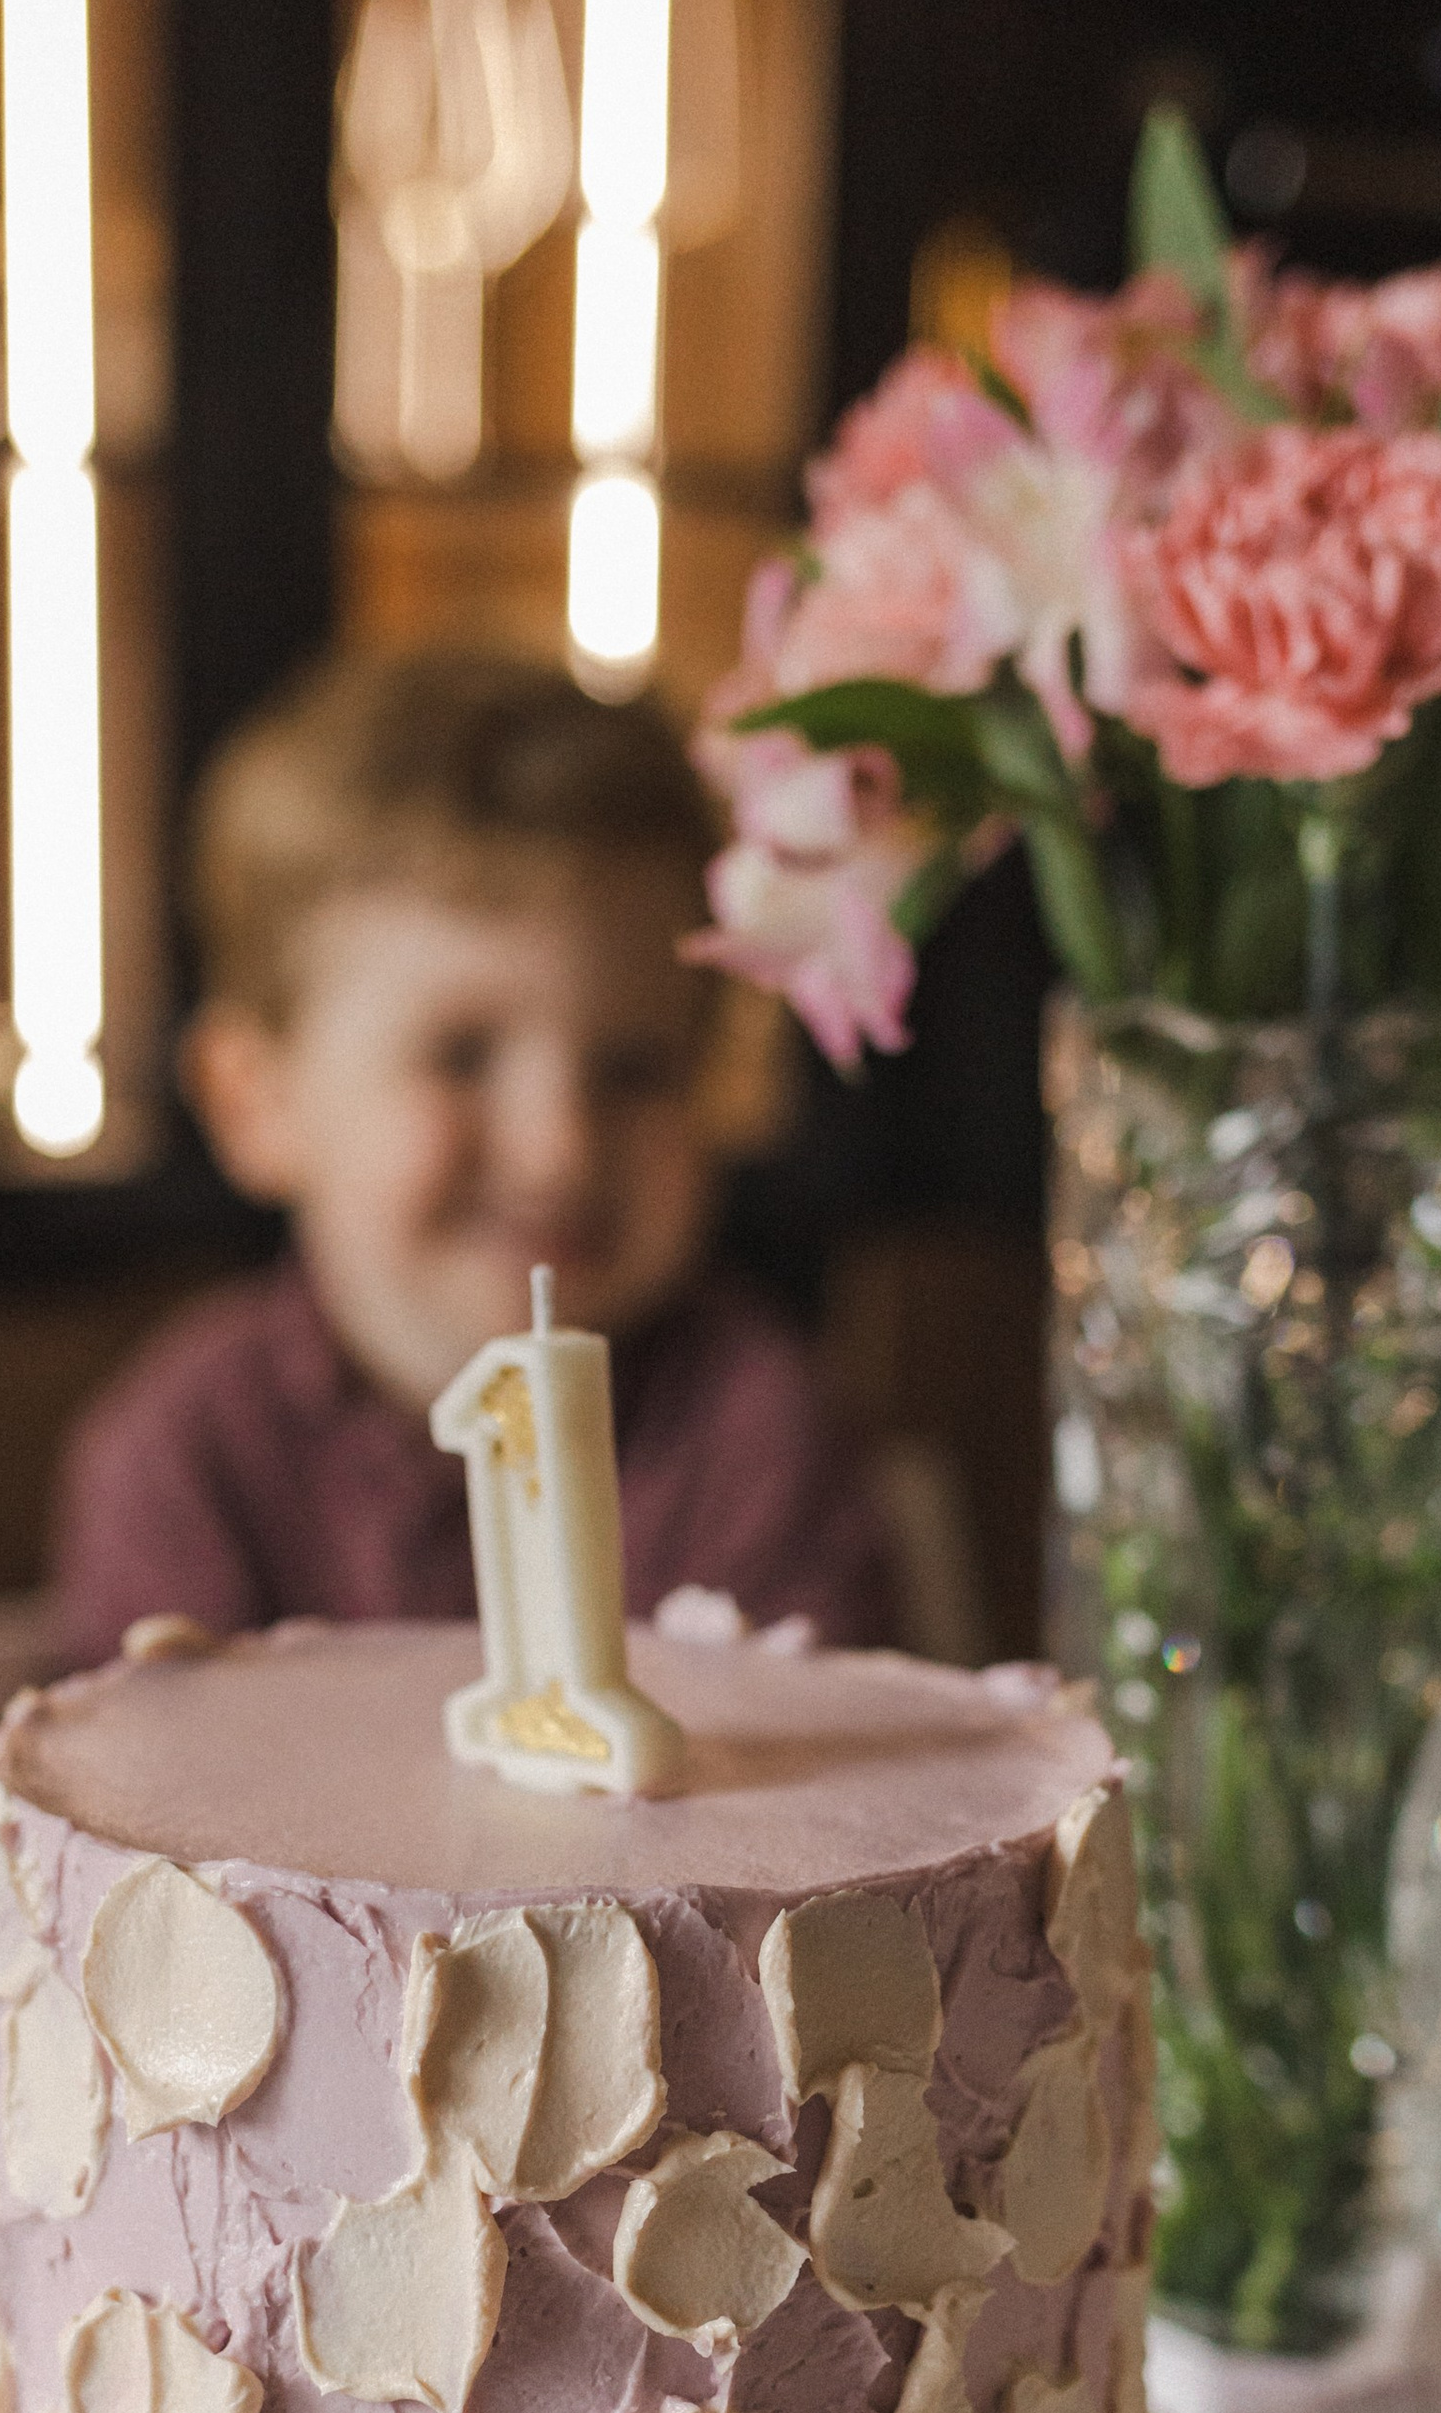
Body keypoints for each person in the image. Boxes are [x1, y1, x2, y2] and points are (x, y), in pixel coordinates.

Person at [50, 645, 904, 1665]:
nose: (557, 1150)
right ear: (257, 1104)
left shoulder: (756, 1436)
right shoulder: (186, 1460)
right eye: (459, 1057)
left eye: (634, 1070)